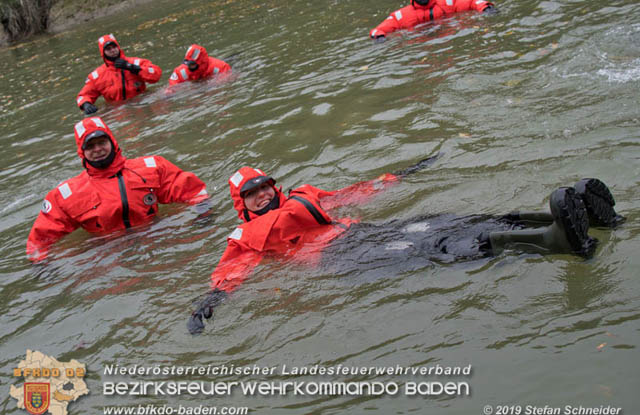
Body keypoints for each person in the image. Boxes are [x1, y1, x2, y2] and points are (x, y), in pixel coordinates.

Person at [187, 161, 623, 333]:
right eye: (252, 194)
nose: (262, 196)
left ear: (274, 185)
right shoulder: (245, 236)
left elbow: (353, 194)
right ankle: (555, 242)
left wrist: (398, 176)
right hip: (343, 259)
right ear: (240, 204)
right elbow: (233, 270)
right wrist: (209, 302)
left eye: (265, 187)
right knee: (441, 247)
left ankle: (560, 215)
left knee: (447, 223)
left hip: (362, 234)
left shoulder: (304, 194)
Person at [26, 117, 209, 262]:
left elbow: (189, 189)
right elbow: (42, 235)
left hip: (156, 237)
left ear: (112, 142)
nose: (97, 149)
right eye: (90, 146)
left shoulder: (151, 167)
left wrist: (203, 211)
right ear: (82, 152)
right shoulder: (65, 194)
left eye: (101, 142)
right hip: (107, 255)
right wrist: (41, 263)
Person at [76, 34, 162, 114]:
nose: (112, 50)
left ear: (118, 47)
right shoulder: (97, 75)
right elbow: (83, 95)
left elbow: (156, 74)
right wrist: (86, 104)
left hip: (143, 105)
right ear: (103, 52)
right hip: (118, 113)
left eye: (114, 47)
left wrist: (133, 68)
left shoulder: (135, 62)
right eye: (108, 49)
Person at [370, 0, 497, 42]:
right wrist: (379, 37)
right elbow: (379, 29)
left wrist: (486, 7)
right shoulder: (402, 15)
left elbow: (472, 2)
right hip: (419, 44)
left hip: (446, 39)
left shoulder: (446, 2)